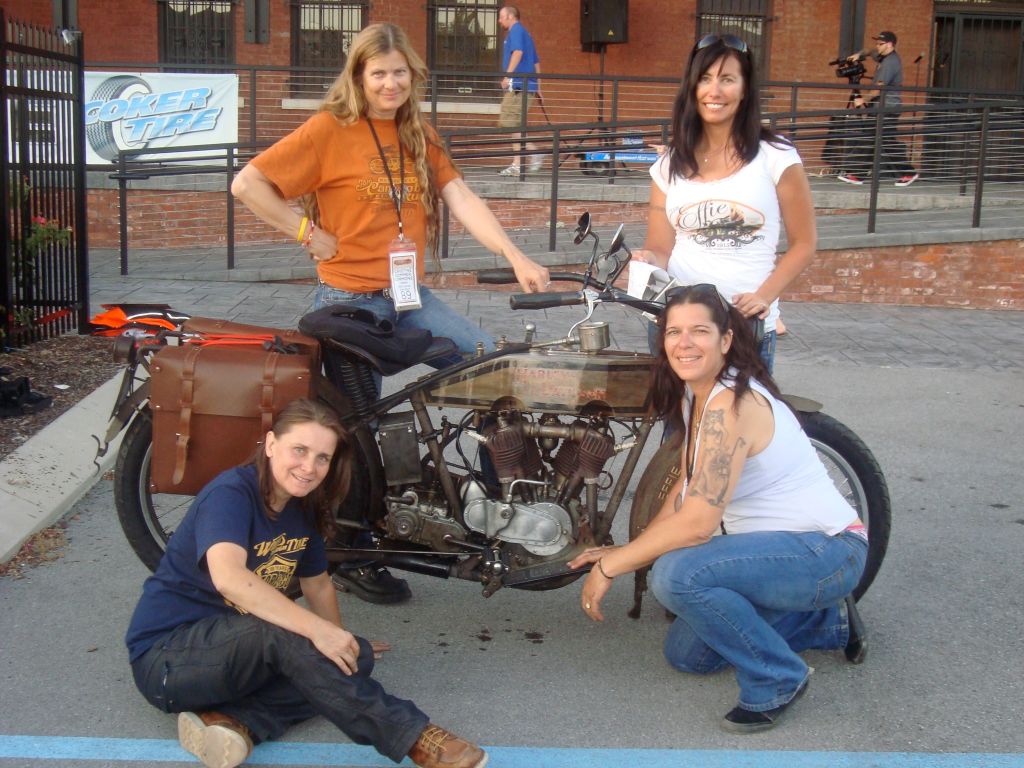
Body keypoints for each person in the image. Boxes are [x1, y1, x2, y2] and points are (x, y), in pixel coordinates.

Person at [232, 22, 549, 604]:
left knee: (493, 369)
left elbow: (462, 197)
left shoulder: (417, 132)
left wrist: (514, 253)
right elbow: (248, 183)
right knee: (358, 437)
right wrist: (305, 230)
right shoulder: (329, 130)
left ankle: (495, 510)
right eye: (378, 72)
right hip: (348, 306)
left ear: (413, 76)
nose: (390, 82)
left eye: (399, 72)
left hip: (407, 299)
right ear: (358, 75)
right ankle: (353, 554)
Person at [568, 285, 869, 734]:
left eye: (699, 331)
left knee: (678, 576)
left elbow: (698, 523)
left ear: (726, 340)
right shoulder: (698, 393)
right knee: (688, 656)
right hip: (779, 549)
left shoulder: (730, 404)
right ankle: (831, 621)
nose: (683, 343)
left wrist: (614, 565)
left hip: (826, 550)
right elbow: (685, 493)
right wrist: (636, 547)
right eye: (674, 332)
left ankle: (778, 678)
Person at [125, 399, 488, 768]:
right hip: (167, 659)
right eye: (299, 450)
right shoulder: (231, 494)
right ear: (270, 445)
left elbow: (317, 586)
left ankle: (234, 722)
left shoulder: (304, 508)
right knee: (282, 635)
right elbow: (229, 578)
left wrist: (337, 640)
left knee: (354, 660)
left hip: (236, 656)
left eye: (322, 458)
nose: (309, 467)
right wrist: (317, 632)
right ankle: (413, 738)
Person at [633, 34, 816, 374]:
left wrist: (765, 295)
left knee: (742, 424)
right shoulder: (668, 164)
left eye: (727, 79)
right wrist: (647, 260)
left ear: (744, 89)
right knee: (680, 426)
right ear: (692, 87)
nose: (714, 91)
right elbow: (660, 247)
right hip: (679, 325)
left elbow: (805, 244)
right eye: (705, 78)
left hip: (743, 324)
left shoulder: (776, 156)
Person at [838, 30, 919, 187]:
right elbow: (869, 51)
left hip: (887, 108)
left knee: (885, 141)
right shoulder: (883, 56)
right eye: (877, 43)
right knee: (872, 138)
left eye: (880, 44)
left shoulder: (890, 63)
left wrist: (863, 99)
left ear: (889, 45)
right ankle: (858, 175)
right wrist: (858, 55)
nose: (877, 46)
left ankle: (908, 172)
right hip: (881, 107)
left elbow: (878, 88)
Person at [497, 5, 542, 176]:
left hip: (518, 87)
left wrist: (507, 76)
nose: (499, 20)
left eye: (501, 17)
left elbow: (518, 53)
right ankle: (518, 163)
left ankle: (532, 153)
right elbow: (536, 62)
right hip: (525, 86)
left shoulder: (516, 31)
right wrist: (538, 86)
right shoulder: (526, 33)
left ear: (510, 16)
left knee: (508, 122)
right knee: (513, 123)